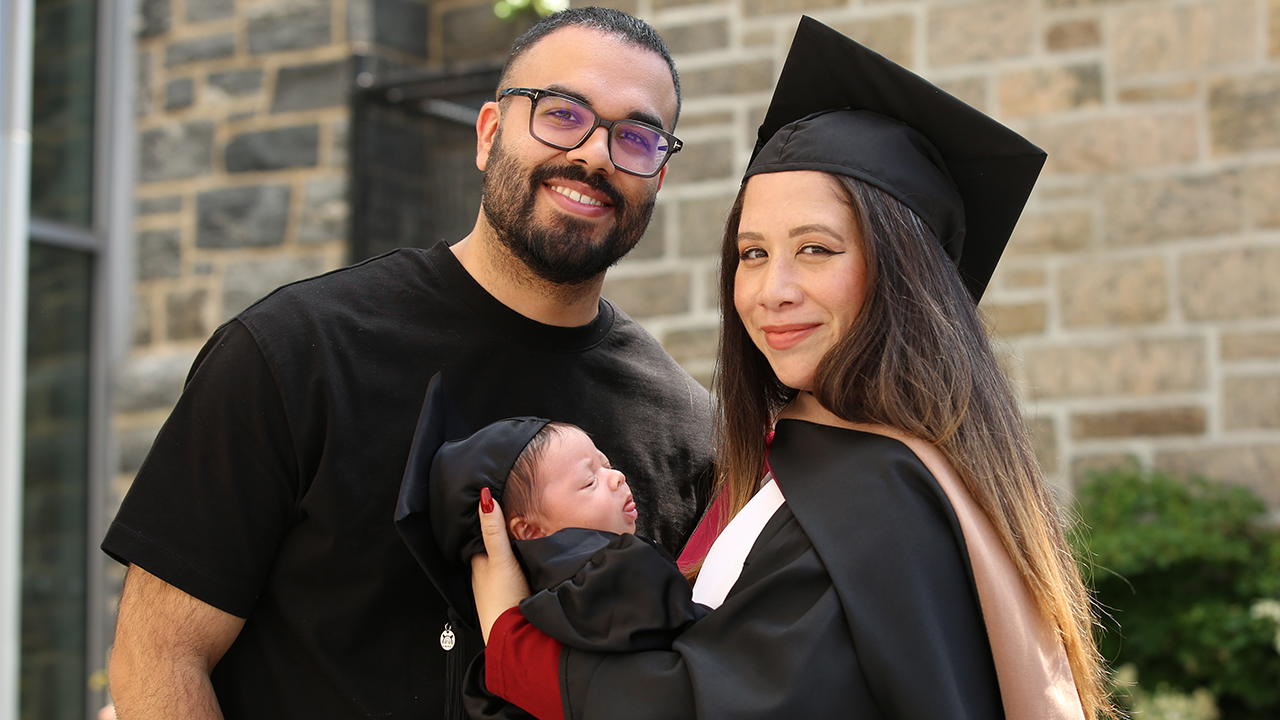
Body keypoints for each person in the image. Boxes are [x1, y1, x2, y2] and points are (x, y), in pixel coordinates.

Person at [470, 16, 1113, 720]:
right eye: (752, 254)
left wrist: (514, 645)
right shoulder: (863, 465)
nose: (772, 290)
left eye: (816, 249)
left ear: (904, 275)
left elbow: (717, 703)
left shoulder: (870, 495)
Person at [101, 8, 714, 720]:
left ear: (659, 177)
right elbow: (159, 656)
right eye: (562, 112)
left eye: (636, 137)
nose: (596, 154)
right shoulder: (296, 354)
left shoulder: (684, 428)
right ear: (488, 134)